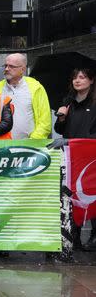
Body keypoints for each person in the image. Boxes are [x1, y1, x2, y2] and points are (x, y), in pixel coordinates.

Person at [54, 67, 96, 250]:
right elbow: (60, 130)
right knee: (73, 195)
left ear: (91, 81)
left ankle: (94, 235)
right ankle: (75, 235)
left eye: (83, 77)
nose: (77, 81)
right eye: (75, 78)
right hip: (72, 156)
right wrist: (61, 118)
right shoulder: (68, 102)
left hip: (90, 155)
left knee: (91, 194)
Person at [0, 53, 51, 139]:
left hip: (29, 146)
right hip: (2, 145)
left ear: (23, 69)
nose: (7, 69)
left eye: (11, 66)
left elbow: (45, 120)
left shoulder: (36, 87)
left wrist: (33, 140)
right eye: (5, 65)